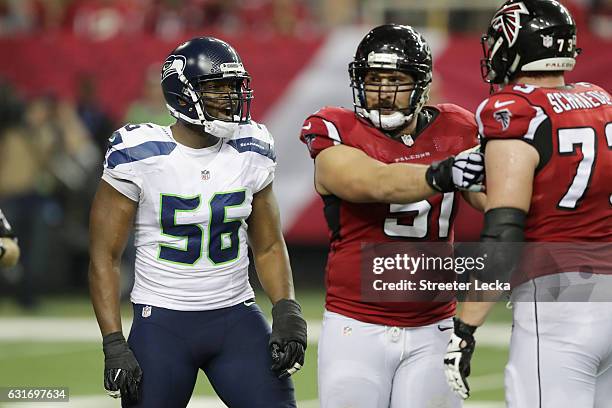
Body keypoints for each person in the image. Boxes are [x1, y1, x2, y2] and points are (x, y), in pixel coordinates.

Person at [89, 36, 307, 408]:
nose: (230, 98)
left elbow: (269, 245)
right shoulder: (138, 153)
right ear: (182, 93)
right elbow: (104, 257)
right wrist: (113, 341)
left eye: (233, 87)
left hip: (235, 316)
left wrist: (286, 309)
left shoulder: (252, 147)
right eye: (217, 88)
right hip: (161, 322)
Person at [298, 24, 486, 408]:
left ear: (420, 85)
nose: (383, 92)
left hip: (434, 325)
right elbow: (375, 182)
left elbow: (497, 204)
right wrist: (444, 172)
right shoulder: (337, 129)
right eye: (373, 79)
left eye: (396, 80)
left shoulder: (458, 128)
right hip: (356, 326)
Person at [443, 1, 612, 407]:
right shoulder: (600, 100)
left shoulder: (516, 110)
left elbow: (505, 235)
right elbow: (552, 200)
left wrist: (465, 327)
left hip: (558, 305)